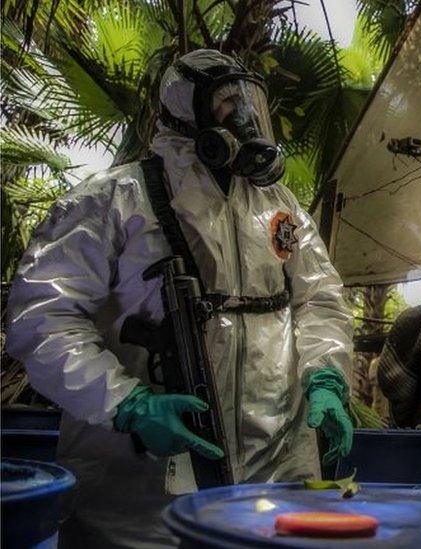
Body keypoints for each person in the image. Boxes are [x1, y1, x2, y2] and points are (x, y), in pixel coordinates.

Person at [5, 49, 355, 548]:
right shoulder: (111, 199)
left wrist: (326, 376)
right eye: (226, 105)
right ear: (183, 112)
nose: (246, 119)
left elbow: (319, 298)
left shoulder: (279, 208)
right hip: (141, 496)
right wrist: (126, 404)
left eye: (250, 102)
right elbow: (43, 319)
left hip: (273, 476)